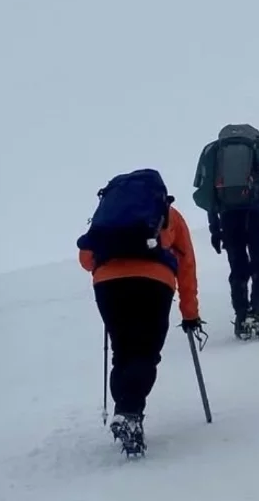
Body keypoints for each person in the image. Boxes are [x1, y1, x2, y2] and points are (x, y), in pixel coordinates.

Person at [77, 168, 201, 456]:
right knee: (145, 352)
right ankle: (129, 414)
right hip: (154, 283)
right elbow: (187, 265)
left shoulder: (106, 216)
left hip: (108, 285)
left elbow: (86, 259)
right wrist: (189, 312)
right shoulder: (169, 215)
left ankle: (126, 413)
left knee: (123, 352)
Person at [191, 124, 259, 339]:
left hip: (229, 217)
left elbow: (211, 196)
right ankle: (257, 314)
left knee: (238, 267)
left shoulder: (218, 156)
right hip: (258, 215)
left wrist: (214, 229)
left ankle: (241, 317)